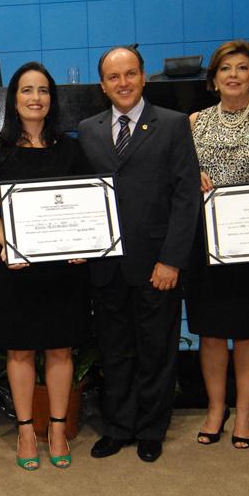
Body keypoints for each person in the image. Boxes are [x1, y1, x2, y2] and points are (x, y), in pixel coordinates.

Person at [78, 46, 202, 463]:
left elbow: (186, 196)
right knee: (114, 351)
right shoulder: (88, 129)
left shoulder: (173, 124)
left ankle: (151, 429)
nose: (123, 83)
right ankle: (118, 427)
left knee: (156, 351)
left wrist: (172, 259)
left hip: (156, 263)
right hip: (106, 265)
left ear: (143, 76)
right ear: (102, 85)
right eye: (114, 77)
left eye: (130, 73)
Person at [0, 62, 91, 470]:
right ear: (14, 99)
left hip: (63, 266)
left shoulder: (71, 149)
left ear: (52, 99)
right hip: (14, 264)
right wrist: (10, 243)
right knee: (20, 349)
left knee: (60, 347)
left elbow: (86, 202)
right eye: (27, 90)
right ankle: (25, 430)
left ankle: (57, 428)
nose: (35, 98)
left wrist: (83, 242)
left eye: (43, 90)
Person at [185, 40, 249, 449]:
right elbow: (181, 178)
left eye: (242, 68)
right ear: (213, 79)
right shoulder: (194, 121)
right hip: (205, 241)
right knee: (210, 332)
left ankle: (244, 411)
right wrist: (192, 179)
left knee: (248, 332)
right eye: (225, 68)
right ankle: (216, 408)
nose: (233, 75)